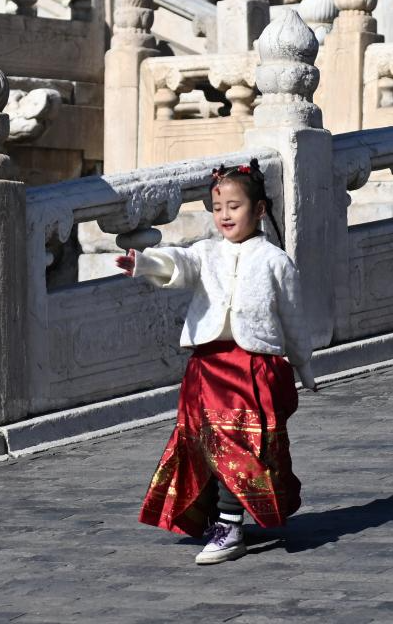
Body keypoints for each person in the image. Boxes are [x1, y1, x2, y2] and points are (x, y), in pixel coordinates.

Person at [116, 159, 317, 564]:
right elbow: (179, 262)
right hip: (207, 367)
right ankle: (218, 518)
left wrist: (303, 365)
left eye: (234, 206)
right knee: (205, 444)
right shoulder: (206, 253)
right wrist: (145, 264)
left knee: (239, 444)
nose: (224, 215)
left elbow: (294, 319)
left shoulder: (275, 260)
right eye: (218, 207)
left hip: (253, 367)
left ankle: (230, 525)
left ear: (259, 209)